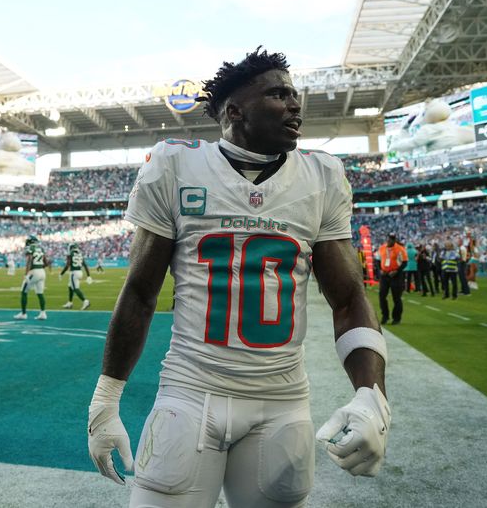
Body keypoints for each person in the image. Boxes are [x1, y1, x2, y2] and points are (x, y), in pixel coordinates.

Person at [87, 49, 390, 508]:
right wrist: (105, 400)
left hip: (282, 401)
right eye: (277, 94)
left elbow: (348, 298)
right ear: (234, 111)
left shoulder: (321, 175)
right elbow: (141, 293)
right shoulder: (174, 165)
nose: (294, 105)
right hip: (189, 392)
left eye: (294, 94)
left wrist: (372, 396)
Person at [14, 235, 50, 320]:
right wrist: (41, 267)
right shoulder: (41, 249)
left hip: (34, 272)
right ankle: (43, 313)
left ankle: (23, 314)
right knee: (40, 293)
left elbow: (29, 261)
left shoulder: (30, 248)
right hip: (42, 272)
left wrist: (26, 274)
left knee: (24, 291)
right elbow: (46, 262)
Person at [377, 233, 408, 325]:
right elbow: (377, 260)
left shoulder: (400, 249)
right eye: (389, 239)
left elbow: (405, 262)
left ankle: (397, 318)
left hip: (396, 276)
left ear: (394, 240)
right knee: (382, 296)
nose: (389, 241)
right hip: (384, 275)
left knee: (396, 298)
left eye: (392, 239)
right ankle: (385, 316)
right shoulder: (382, 248)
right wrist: (379, 270)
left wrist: (397, 271)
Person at [59, 243, 92, 310]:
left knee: (75, 288)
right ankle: (70, 302)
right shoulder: (80, 254)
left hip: (74, 273)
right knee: (70, 286)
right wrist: (88, 275)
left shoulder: (70, 253)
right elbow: (85, 265)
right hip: (80, 272)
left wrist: (61, 273)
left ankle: (85, 301)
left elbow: (67, 265)